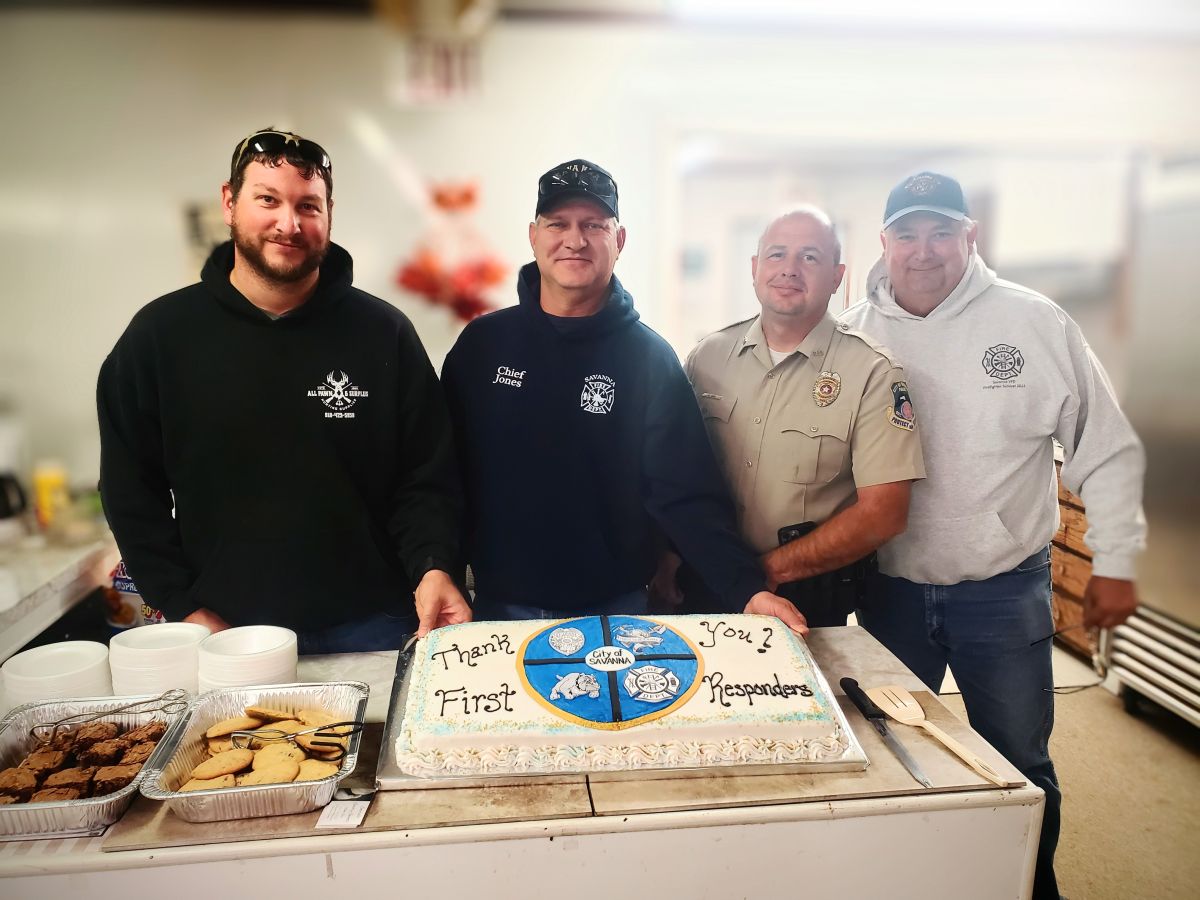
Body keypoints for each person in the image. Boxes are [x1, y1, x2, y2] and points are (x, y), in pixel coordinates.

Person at [840, 171, 1146, 900]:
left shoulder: (1034, 322)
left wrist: (1116, 558)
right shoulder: (853, 332)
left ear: (970, 237)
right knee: (892, 760)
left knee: (1017, 766)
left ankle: (1030, 888)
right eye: (907, 234)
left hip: (1001, 591)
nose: (924, 250)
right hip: (890, 595)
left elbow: (1105, 446)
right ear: (883, 243)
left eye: (941, 230)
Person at [97, 127, 470, 653]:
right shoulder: (159, 337)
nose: (288, 224)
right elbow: (130, 491)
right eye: (267, 200)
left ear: (329, 213)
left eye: (308, 206)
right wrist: (180, 604)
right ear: (230, 203)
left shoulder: (383, 334)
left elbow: (426, 479)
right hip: (227, 634)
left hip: (375, 626)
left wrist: (434, 566)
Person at [440, 159, 800, 629]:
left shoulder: (649, 359)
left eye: (594, 225)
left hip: (617, 609)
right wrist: (436, 569)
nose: (575, 239)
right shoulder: (483, 346)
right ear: (534, 236)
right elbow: (441, 478)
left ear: (619, 240)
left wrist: (746, 589)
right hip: (497, 609)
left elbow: (685, 494)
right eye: (558, 224)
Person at [664, 207, 924, 626]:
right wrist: (670, 555)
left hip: (805, 598)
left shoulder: (872, 372)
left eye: (809, 257)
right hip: (703, 583)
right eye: (776, 254)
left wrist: (763, 574)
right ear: (754, 268)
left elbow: (884, 513)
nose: (789, 270)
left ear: (838, 276)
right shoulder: (706, 358)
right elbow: (677, 481)